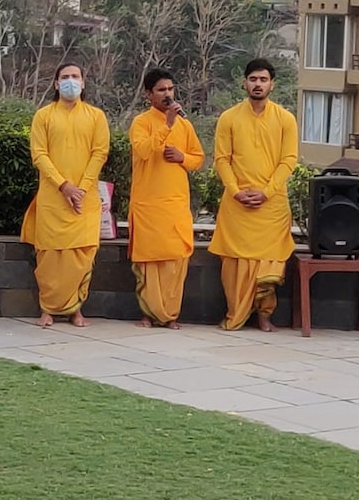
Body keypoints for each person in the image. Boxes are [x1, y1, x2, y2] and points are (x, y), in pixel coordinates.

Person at [208, 57, 298, 332]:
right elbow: (222, 159)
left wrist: (267, 192)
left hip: (271, 207)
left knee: (268, 265)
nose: (258, 84)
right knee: (234, 265)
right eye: (253, 79)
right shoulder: (229, 118)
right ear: (244, 83)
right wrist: (235, 192)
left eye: (263, 79)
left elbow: (289, 160)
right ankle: (236, 312)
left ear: (272, 84)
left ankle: (264, 315)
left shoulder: (285, 119)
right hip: (237, 206)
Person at [21, 62, 110, 328]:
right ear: (56, 84)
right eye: (64, 77)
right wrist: (64, 186)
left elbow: (100, 153)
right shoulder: (44, 116)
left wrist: (81, 188)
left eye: (75, 77)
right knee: (49, 256)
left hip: (85, 201)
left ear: (83, 83)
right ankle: (48, 309)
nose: (70, 81)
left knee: (82, 256)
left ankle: (75, 309)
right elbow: (39, 155)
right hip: (52, 198)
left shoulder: (96, 116)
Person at [128, 70, 205, 329]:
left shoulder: (186, 125)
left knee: (174, 261)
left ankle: (170, 314)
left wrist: (182, 157)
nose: (168, 94)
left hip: (175, 204)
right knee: (150, 263)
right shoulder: (141, 122)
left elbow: (198, 158)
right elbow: (143, 150)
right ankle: (148, 314)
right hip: (148, 203)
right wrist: (166, 126)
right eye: (161, 89)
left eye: (170, 88)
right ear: (148, 94)